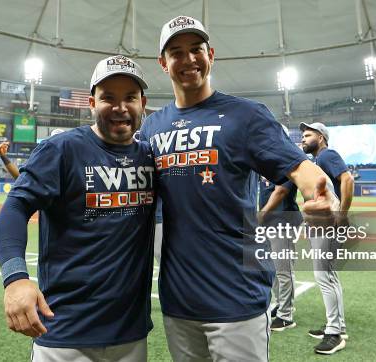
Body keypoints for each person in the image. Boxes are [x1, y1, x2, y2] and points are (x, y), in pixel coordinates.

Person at [140, 15, 338, 361]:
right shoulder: (152, 127)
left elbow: (299, 168)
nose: (188, 59)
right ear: (163, 63)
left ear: (211, 55)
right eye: (176, 52)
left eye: (196, 49)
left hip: (238, 298)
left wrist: (321, 194)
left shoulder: (245, 116)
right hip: (178, 300)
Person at [0, 55, 155, 362]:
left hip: (131, 334)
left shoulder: (150, 156)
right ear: (92, 103)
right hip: (65, 334)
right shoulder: (62, 149)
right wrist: (15, 278)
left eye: (130, 98)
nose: (120, 107)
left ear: (142, 103)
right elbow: (16, 207)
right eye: (108, 97)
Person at [299, 121, 354, 355]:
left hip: (329, 225)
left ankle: (335, 334)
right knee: (329, 275)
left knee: (324, 276)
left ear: (321, 137)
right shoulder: (318, 160)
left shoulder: (327, 154)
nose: (303, 138)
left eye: (308, 134)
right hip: (323, 224)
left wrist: (342, 215)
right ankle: (336, 326)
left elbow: (348, 180)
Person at [258, 177, 301, 332]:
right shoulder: (264, 165)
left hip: (283, 222)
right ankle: (280, 304)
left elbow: (281, 191)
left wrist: (261, 214)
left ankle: (286, 316)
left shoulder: (283, 165)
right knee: (274, 269)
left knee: (284, 270)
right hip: (269, 222)